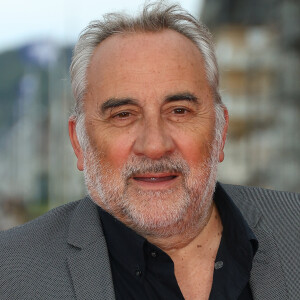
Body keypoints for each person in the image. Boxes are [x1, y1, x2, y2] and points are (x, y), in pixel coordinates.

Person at [0, 2, 299, 299]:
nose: (154, 146)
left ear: (220, 133)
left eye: (179, 111)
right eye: (123, 115)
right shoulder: (11, 271)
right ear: (79, 143)